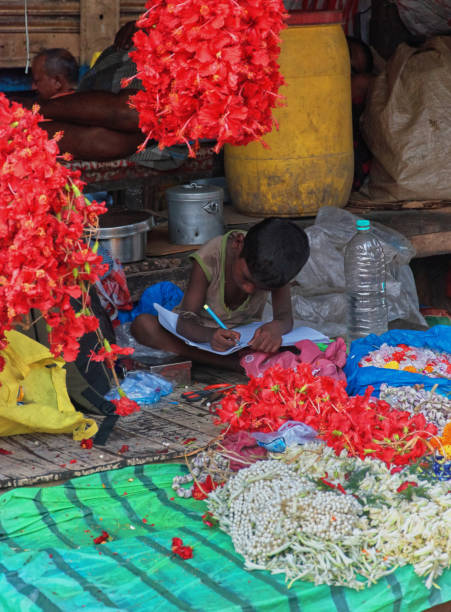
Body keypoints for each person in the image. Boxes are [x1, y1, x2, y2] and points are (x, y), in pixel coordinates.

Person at [130, 218, 310, 370]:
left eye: (261, 287)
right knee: (144, 325)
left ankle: (238, 360)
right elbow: (185, 321)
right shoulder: (211, 257)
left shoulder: (277, 268)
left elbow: (285, 317)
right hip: (198, 336)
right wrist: (210, 335)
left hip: (243, 342)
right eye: (246, 278)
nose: (249, 290)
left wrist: (274, 329)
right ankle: (231, 363)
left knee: (303, 348)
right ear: (238, 243)